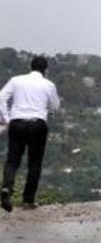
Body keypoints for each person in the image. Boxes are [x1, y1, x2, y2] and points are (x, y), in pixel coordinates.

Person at [0, 56, 60, 212]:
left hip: (17, 123)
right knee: (34, 163)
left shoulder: (16, 80)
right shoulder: (49, 85)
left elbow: (1, 97)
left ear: (30, 66)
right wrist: (49, 111)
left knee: (12, 160)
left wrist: (7, 118)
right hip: (37, 125)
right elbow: (55, 106)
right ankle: (28, 200)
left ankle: (6, 188)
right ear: (46, 70)